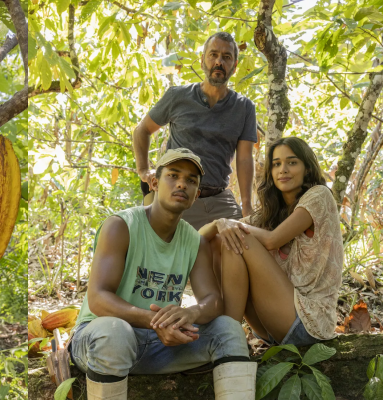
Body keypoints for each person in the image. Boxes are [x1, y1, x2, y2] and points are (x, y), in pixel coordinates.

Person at [69, 148, 255, 400]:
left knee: (227, 328)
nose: (182, 184)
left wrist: (191, 313)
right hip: (100, 341)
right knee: (115, 332)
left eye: (191, 181)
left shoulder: (194, 241)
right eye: (173, 175)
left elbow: (212, 300)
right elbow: (98, 298)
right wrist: (155, 321)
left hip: (161, 343)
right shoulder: (121, 225)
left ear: (196, 195)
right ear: (155, 183)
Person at [199, 137, 343, 347]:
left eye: (292, 162)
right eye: (276, 164)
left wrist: (229, 223)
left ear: (307, 169)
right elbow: (201, 238)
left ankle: (227, 340)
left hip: (309, 324)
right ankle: (226, 329)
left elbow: (272, 240)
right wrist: (219, 223)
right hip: (272, 327)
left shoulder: (319, 195)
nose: (283, 169)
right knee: (221, 239)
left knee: (237, 233)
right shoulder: (269, 215)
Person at [133, 31, 257, 230]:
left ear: (234, 66)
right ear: (202, 61)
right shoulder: (177, 96)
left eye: (226, 57)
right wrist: (144, 170)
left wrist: (247, 206)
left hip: (219, 198)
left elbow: (244, 159)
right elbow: (142, 130)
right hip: (178, 193)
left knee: (242, 240)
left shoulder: (244, 108)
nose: (219, 62)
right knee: (169, 252)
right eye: (213, 55)